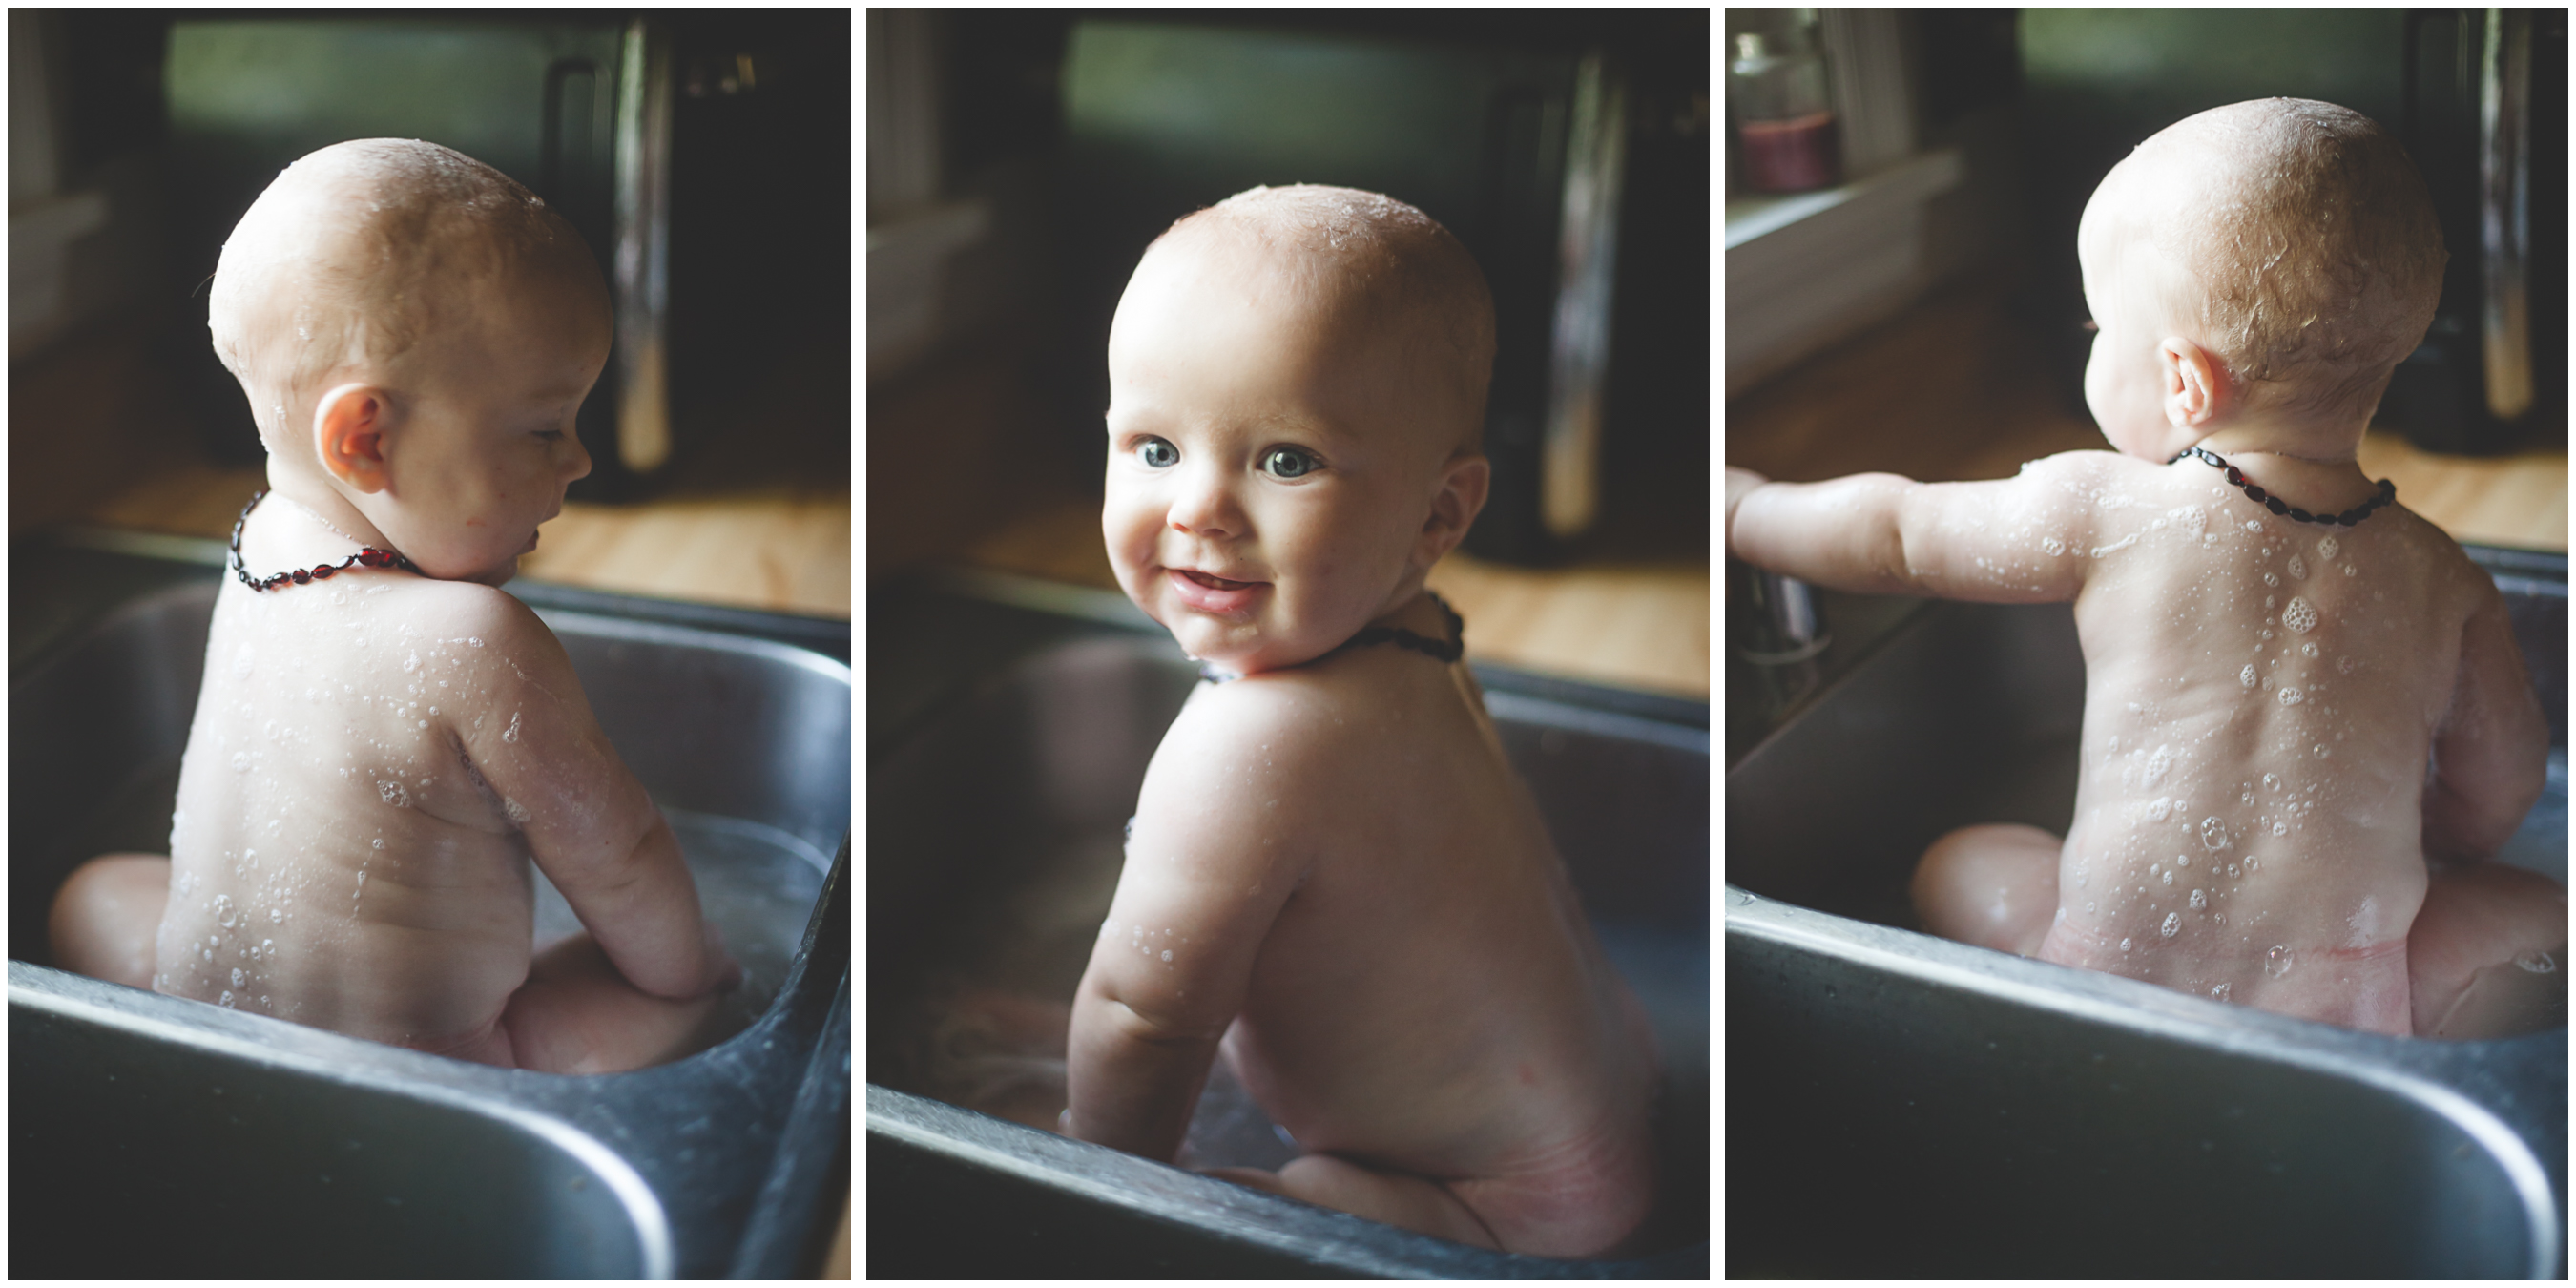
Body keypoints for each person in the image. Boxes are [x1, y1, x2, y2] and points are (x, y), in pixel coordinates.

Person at [1727, 99, 2562, 1038]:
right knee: (2537, 914)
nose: (2089, 344)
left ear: (2184, 382)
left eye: (2095, 327)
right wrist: (2431, 845)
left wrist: (1749, 511)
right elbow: (2502, 786)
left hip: (2098, 990)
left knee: (1963, 861)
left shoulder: (2107, 508)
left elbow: (1897, 534)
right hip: (2348, 1022)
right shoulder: (2443, 577)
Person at [47, 139, 737, 1073]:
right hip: (436, 1064)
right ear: (365, 437)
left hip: (202, 1020)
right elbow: (619, 856)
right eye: (544, 427)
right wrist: (693, 979)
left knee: (94, 892)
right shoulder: (479, 642)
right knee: (662, 1001)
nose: (576, 461)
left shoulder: (260, 546)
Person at [1062, 184, 1662, 1257]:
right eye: (1154, 448)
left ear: (1439, 513)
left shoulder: (1249, 747)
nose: (1198, 507)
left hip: (1496, 1214)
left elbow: (1144, 1019)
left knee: (1227, 1224)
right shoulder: (1420, 633)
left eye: (1285, 460)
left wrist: (1073, 1190)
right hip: (1617, 1100)